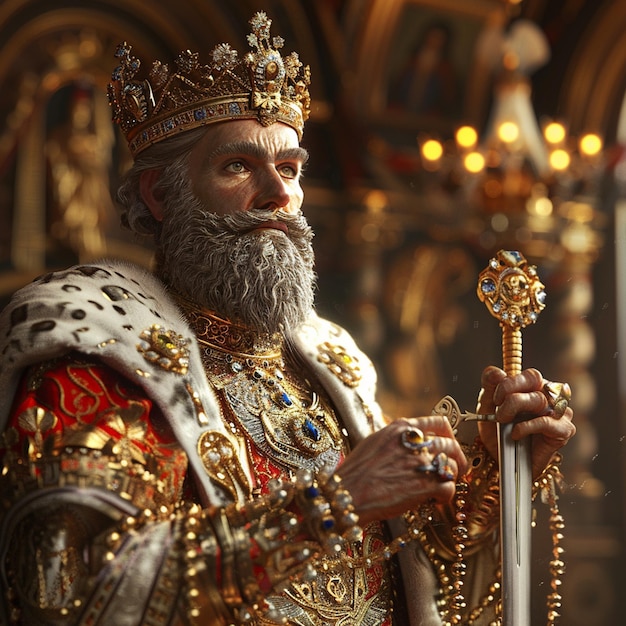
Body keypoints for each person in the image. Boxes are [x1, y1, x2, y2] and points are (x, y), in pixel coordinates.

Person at [0, 11, 575, 626]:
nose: (278, 192)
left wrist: (497, 471)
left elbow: (410, 576)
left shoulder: (332, 365)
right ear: (160, 196)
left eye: (291, 169)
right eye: (239, 166)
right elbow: (73, 592)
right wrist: (336, 500)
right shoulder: (98, 357)